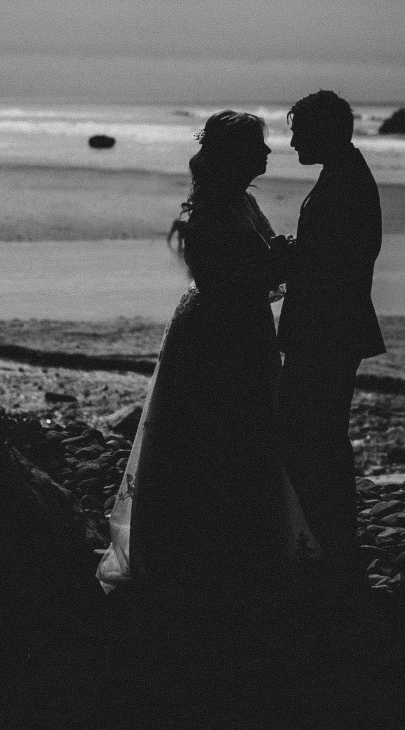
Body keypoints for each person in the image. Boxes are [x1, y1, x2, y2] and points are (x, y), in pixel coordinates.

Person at [97, 111, 318, 597]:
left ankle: (229, 550)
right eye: (258, 146)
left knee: (238, 432)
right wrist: (298, 254)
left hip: (239, 326)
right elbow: (241, 275)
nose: (267, 153)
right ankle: (209, 554)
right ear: (236, 154)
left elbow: (259, 266)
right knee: (215, 432)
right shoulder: (214, 213)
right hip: (219, 334)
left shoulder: (235, 202)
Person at [275, 91, 386, 585]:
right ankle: (332, 540)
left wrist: (280, 257)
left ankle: (332, 544)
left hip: (327, 329)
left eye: (300, 130)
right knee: (318, 435)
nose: (293, 139)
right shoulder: (344, 175)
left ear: (325, 132)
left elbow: (332, 263)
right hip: (333, 326)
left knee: (316, 436)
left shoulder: (345, 183)